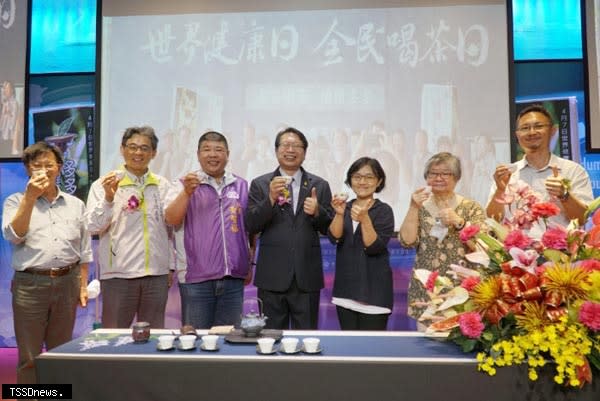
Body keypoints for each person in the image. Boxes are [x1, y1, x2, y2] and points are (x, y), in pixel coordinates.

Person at [2, 142, 92, 384]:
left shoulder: (75, 204)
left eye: (49, 165)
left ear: (59, 168)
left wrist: (82, 285)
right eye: (36, 165)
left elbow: (84, 252)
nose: (43, 170)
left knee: (60, 353)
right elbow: (14, 235)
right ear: (28, 169)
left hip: (67, 282)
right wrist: (30, 198)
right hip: (30, 284)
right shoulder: (15, 201)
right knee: (29, 356)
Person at [245, 127, 333, 330]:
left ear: (305, 152)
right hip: (272, 277)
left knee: (307, 339)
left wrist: (318, 212)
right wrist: (270, 199)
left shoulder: (319, 185)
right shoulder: (261, 184)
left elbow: (330, 228)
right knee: (271, 339)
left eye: (296, 146)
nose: (291, 149)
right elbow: (251, 223)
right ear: (276, 151)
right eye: (285, 145)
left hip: (306, 277)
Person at [85, 126, 173, 328]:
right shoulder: (104, 184)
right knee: (114, 337)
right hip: (118, 275)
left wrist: (170, 266)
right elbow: (92, 226)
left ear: (154, 153)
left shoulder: (162, 185)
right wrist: (108, 198)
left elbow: (169, 229)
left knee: (153, 338)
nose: (138, 153)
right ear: (122, 149)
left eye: (144, 148)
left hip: (155, 275)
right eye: (132, 147)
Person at [165, 131, 253, 329]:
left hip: (232, 279)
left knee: (229, 341)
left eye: (219, 150)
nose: (213, 154)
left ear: (227, 154)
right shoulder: (183, 184)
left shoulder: (240, 185)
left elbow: (247, 230)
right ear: (198, 154)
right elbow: (171, 219)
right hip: (196, 279)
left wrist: (248, 263)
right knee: (195, 342)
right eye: (207, 150)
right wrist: (187, 193)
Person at [398, 152, 485, 329]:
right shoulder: (419, 206)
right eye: (432, 173)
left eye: (445, 173)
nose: (438, 178)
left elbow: (483, 246)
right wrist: (413, 207)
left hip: (462, 291)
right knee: (427, 348)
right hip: (427, 291)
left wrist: (459, 223)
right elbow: (406, 241)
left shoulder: (470, 207)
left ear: (456, 177)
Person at [487, 104, 593, 227]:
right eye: (525, 128)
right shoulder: (508, 175)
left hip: (559, 245)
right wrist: (500, 190)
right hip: (515, 246)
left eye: (538, 126)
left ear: (552, 131)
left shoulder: (573, 171)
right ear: (517, 135)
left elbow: (583, 219)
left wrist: (564, 195)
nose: (532, 132)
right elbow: (492, 220)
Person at [328, 157, 395, 330]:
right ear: (350, 180)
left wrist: (365, 220)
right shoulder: (344, 207)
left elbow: (373, 247)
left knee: (373, 352)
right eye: (357, 177)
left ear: (379, 181)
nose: (362, 182)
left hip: (374, 293)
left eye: (369, 177)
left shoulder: (384, 210)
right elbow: (334, 238)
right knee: (349, 350)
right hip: (346, 291)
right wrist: (339, 214)